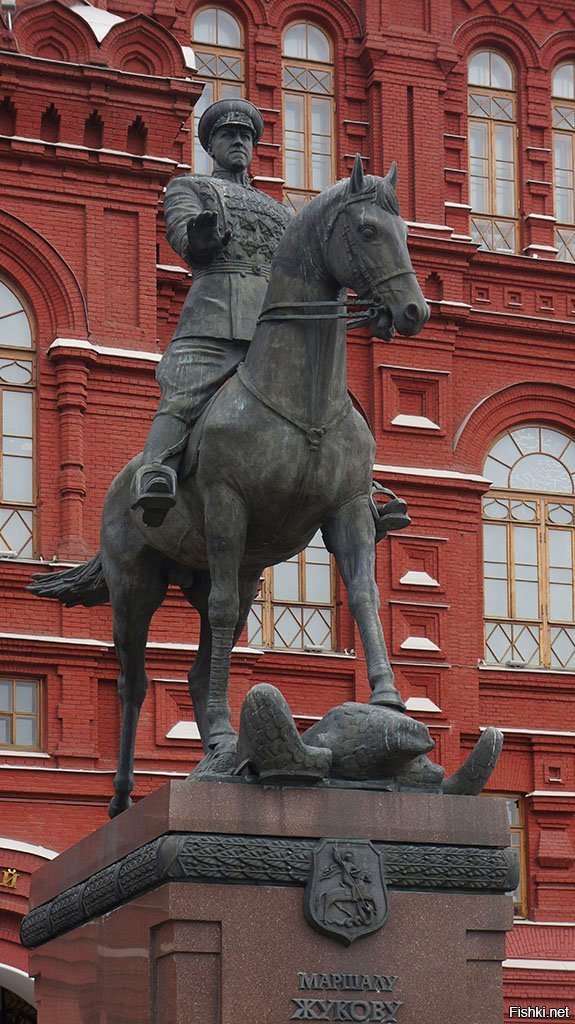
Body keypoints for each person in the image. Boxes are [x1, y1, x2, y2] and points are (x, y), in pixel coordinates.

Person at [132, 98, 291, 525]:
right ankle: (156, 473)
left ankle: (357, 488)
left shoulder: (281, 211)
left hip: (273, 327)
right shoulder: (191, 189)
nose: (238, 141)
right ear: (211, 147)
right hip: (215, 313)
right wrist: (200, 237)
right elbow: (185, 240)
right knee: (184, 390)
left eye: (245, 136)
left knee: (323, 393)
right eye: (228, 135)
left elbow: (300, 271)